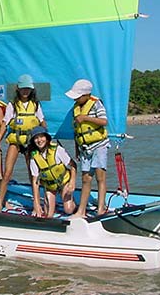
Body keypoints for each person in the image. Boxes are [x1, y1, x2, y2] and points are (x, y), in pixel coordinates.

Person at [0, 74, 47, 213]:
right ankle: (0, 203)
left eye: (28, 89)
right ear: (18, 89)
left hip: (30, 142)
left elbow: (42, 122)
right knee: (7, 173)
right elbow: (5, 123)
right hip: (16, 141)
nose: (25, 92)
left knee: (33, 174)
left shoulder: (35, 104)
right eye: (23, 89)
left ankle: (37, 205)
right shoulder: (13, 104)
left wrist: (46, 140)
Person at [65, 79, 109, 217]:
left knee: (100, 178)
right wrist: (77, 148)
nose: (76, 99)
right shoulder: (75, 108)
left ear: (86, 95)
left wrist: (86, 118)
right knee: (85, 179)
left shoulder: (96, 104)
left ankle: (101, 208)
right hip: (84, 147)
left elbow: (104, 121)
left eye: (78, 96)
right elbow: (77, 131)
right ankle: (81, 211)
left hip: (99, 145)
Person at [29, 126, 77, 218]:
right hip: (49, 186)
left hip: (64, 182)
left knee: (68, 209)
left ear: (47, 138)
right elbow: (35, 181)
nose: (39, 140)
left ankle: (73, 202)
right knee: (48, 215)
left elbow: (73, 165)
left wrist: (72, 183)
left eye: (42, 137)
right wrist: (36, 203)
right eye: (36, 138)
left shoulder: (58, 150)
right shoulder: (34, 157)